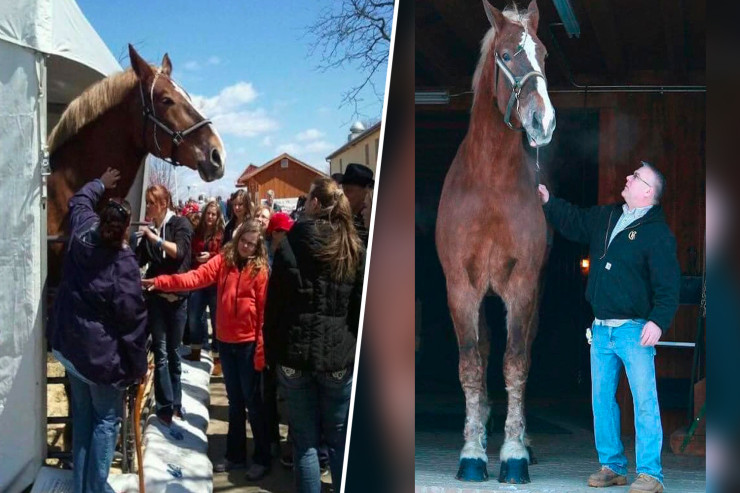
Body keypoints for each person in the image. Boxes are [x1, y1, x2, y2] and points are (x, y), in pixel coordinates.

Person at [537, 161, 680, 493]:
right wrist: (548, 201)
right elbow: (574, 221)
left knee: (644, 402)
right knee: (602, 401)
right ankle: (613, 466)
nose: (628, 178)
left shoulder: (657, 233)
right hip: (601, 330)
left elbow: (668, 284)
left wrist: (659, 321)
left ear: (648, 191)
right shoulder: (607, 216)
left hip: (634, 330)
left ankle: (651, 474)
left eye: (636, 177)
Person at [143, 220, 272, 480]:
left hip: (247, 345)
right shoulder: (224, 260)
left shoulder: (260, 271)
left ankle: (262, 456)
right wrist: (163, 281)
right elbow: (196, 277)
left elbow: (263, 315)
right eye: (244, 242)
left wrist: (260, 349)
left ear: (258, 246)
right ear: (237, 240)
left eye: (252, 244)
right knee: (235, 402)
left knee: (253, 403)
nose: (247, 247)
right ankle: (235, 455)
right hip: (226, 343)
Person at [48, 168, 147, 493]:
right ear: (125, 231)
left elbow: (79, 201)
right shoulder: (123, 264)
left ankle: (82, 488)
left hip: (71, 350)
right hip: (102, 362)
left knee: (84, 418)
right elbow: (133, 325)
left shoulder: (81, 233)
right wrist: (138, 370)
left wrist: (99, 184)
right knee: (105, 421)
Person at [264, 177, 365, 492]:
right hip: (337, 359)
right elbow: (360, 310)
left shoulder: (291, 243)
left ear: (317, 204)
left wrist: (271, 352)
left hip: (296, 357)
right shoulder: (354, 247)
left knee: (305, 442)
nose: (305, 204)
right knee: (338, 442)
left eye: (308, 199)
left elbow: (274, 307)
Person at [137, 184, 193, 426]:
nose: (148, 207)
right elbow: (138, 259)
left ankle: (177, 402)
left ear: (163, 203)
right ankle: (165, 406)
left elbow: (179, 253)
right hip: (158, 300)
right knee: (160, 353)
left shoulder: (180, 224)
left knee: (173, 352)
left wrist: (156, 239)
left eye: (151, 202)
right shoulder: (149, 231)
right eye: (147, 202)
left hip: (178, 299)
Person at [185, 200, 224, 362]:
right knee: (194, 316)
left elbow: (224, 256)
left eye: (213, 214)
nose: (210, 216)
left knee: (216, 320)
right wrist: (197, 257)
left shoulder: (222, 233)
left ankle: (217, 358)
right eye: (208, 213)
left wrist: (211, 257)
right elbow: (191, 250)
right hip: (199, 278)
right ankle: (196, 351)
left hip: (214, 282)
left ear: (217, 216)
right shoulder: (197, 232)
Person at [334, 163, 374, 245]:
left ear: (366, 191)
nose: (344, 195)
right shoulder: (338, 217)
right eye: (343, 190)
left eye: (349, 191)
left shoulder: (368, 222)